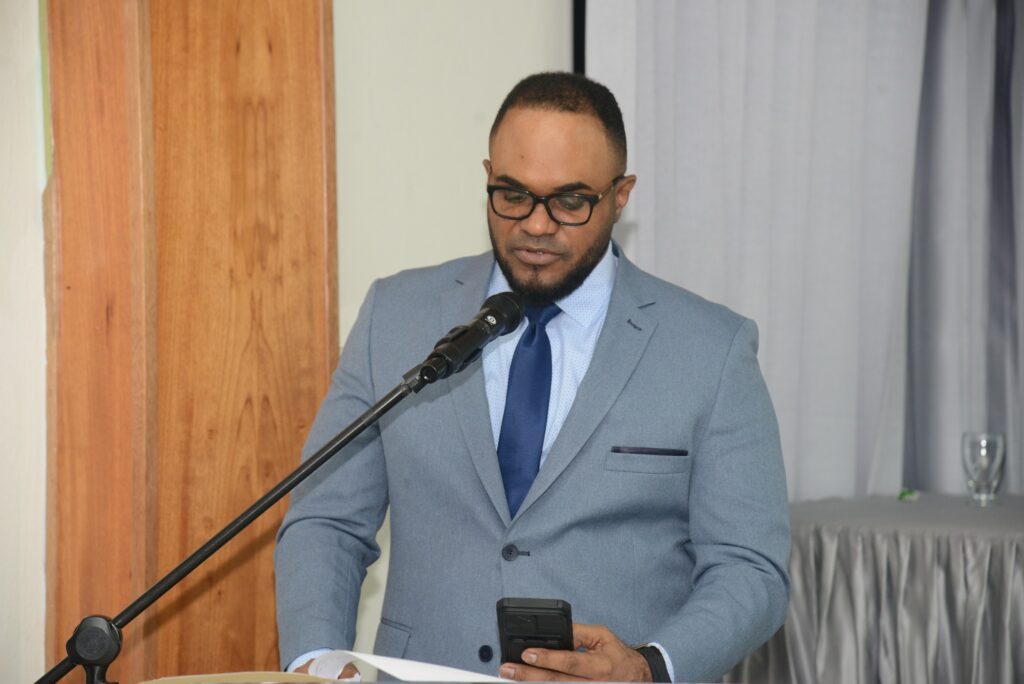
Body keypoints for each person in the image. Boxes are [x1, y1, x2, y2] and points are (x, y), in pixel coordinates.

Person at [275, 72, 790, 683]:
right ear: (487, 176)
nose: (537, 225)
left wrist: (650, 667)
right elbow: (327, 520)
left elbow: (750, 569)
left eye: (570, 201)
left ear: (621, 196)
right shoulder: (396, 315)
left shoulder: (711, 349)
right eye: (513, 194)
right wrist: (313, 662)